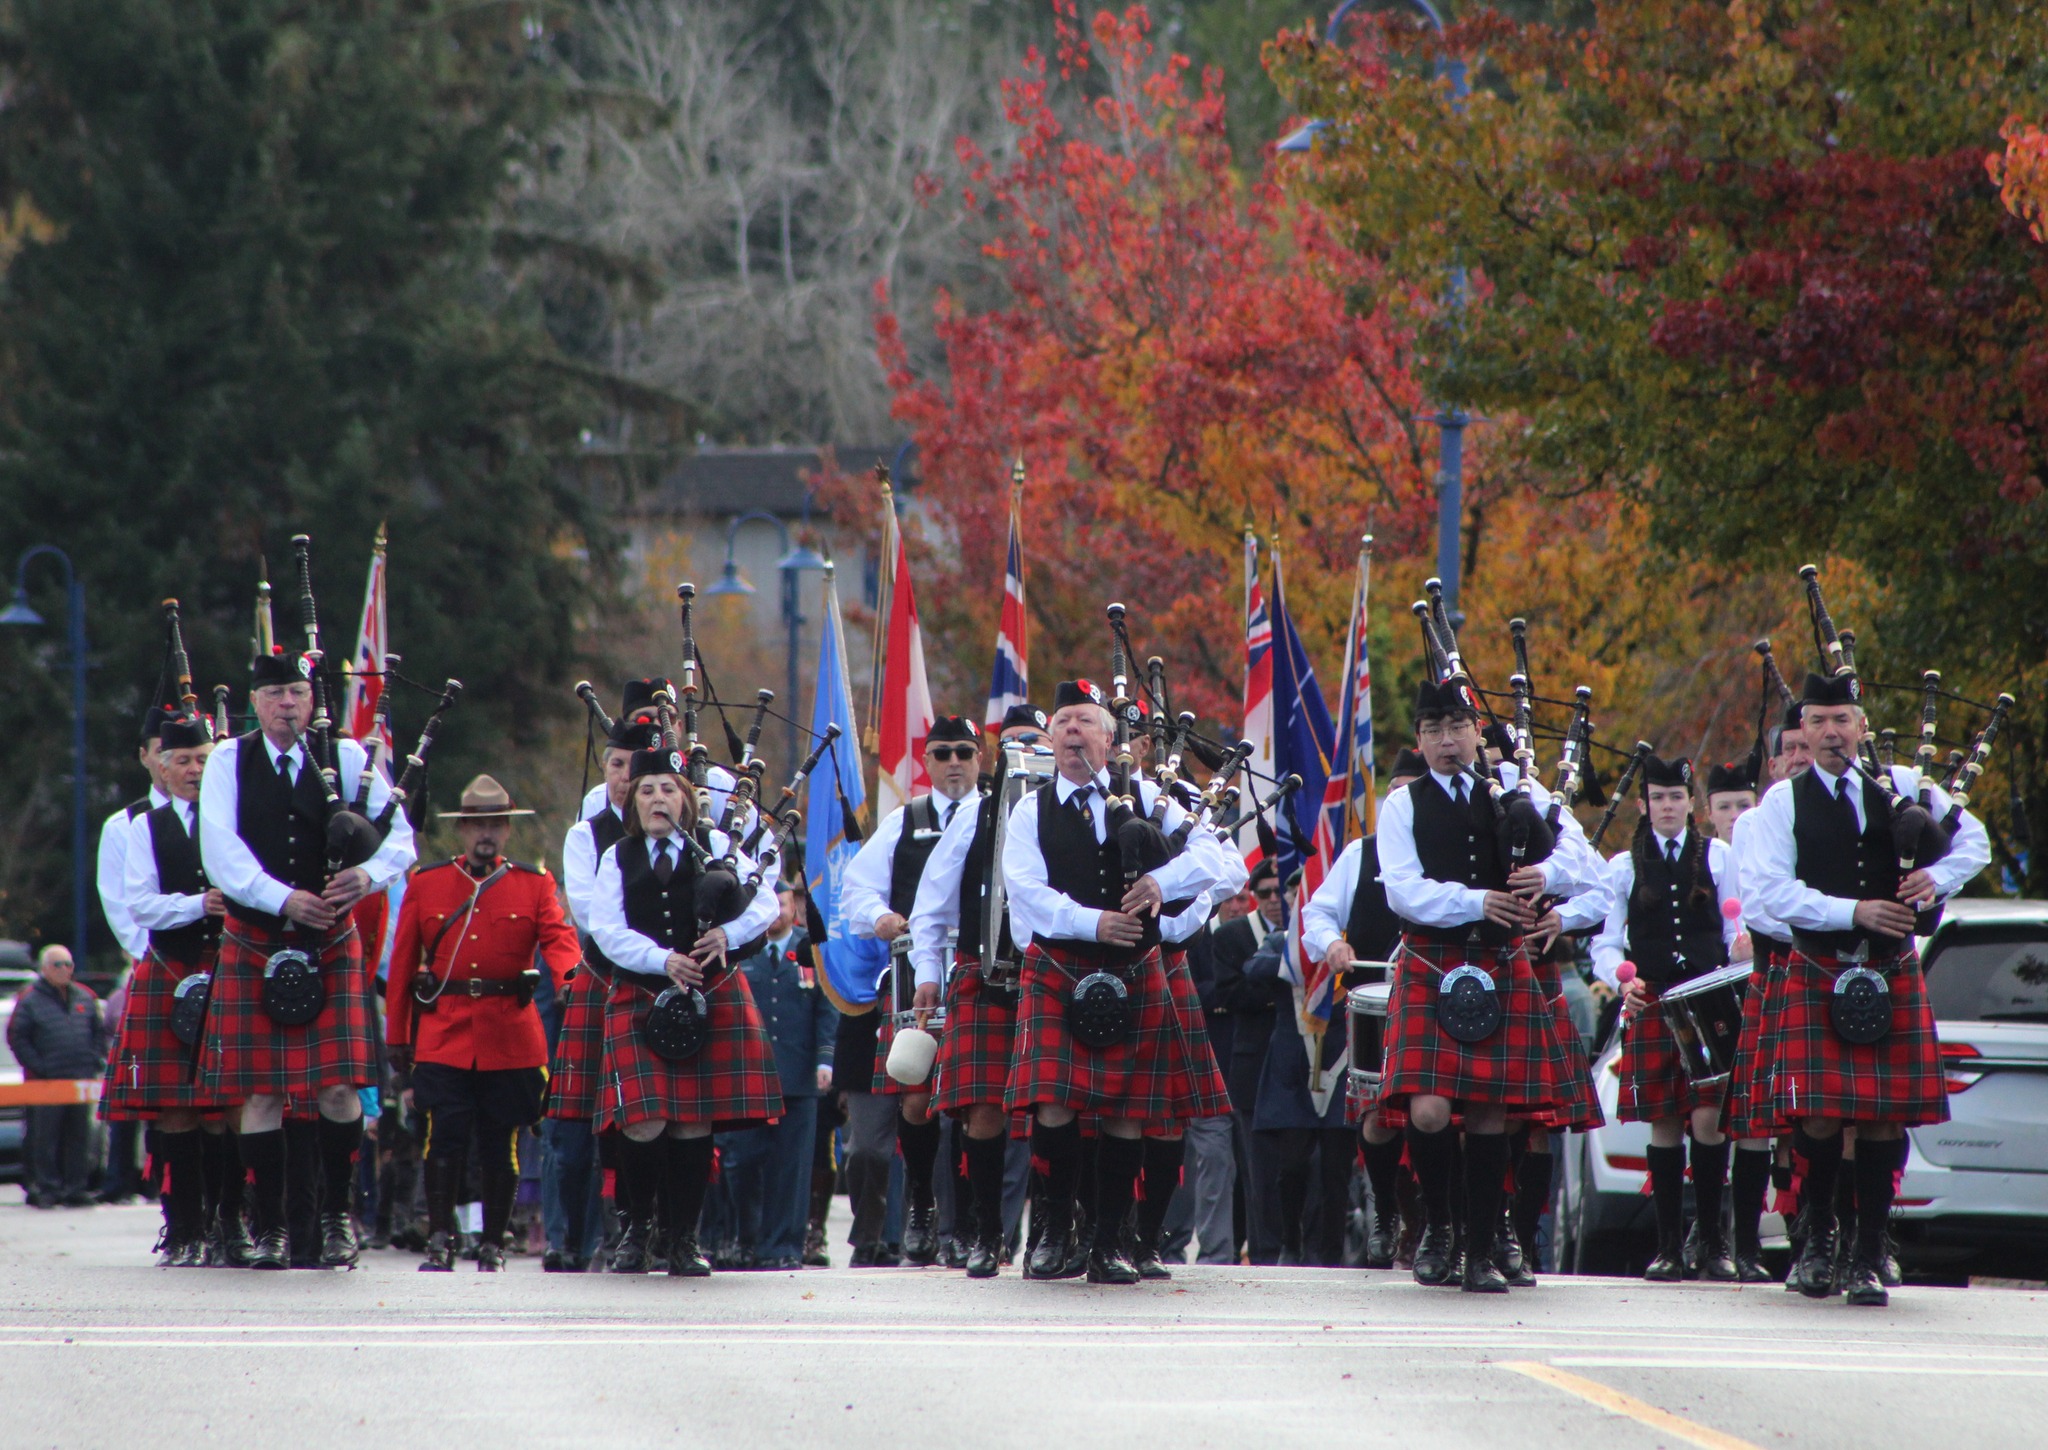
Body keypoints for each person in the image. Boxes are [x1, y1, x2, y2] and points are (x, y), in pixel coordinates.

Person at [1747, 669, 1989, 1306]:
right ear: (1802, 729)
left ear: (1860, 726)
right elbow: (1771, 892)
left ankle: (1868, 1249)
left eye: (1842, 720)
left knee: (1883, 1118)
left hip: (1889, 969)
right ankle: (1818, 1238)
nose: (1831, 733)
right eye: (1818, 721)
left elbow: (1976, 841)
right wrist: (1851, 911)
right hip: (1820, 965)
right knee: (1821, 1115)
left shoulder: (1902, 786)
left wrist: (1935, 881)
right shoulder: (1782, 803)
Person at [1000, 680, 1233, 1285]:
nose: (1073, 730)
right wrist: (1092, 922)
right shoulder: (1031, 809)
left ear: (1110, 737)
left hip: (1134, 972)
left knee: (1129, 1114)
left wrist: (1164, 883)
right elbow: (1024, 890)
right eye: (1064, 722)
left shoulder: (1151, 797)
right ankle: (1052, 1233)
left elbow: (1217, 860)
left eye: (1085, 721)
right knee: (1053, 1102)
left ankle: (1110, 1243)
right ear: (1050, 739)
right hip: (1061, 964)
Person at [197, 648, 417, 1269]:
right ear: (256, 703)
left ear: (313, 699)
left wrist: (366, 878)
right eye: (274, 694)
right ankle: (268, 1228)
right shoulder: (228, 762)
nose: (287, 704)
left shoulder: (346, 758)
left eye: (297, 692)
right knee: (262, 1094)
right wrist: (285, 898)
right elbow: (222, 852)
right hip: (257, 938)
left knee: (339, 1091)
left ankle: (336, 1218)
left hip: (329, 941)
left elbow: (400, 836)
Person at [1376, 676, 1590, 1293]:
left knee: (1494, 1112)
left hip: (1498, 962)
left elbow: (1579, 860)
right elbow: (1402, 888)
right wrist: (1480, 900)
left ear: (1477, 732)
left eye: (1458, 729)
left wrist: (1542, 874)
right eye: (1434, 731)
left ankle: (1480, 1245)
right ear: (1420, 739)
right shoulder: (1403, 805)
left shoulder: (1515, 793)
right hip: (1433, 958)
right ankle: (1439, 1226)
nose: (1448, 742)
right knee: (1431, 1107)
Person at [586, 746, 783, 1277]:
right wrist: (663, 960)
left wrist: (728, 932)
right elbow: (605, 930)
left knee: (693, 1124)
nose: (657, 798)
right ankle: (637, 1232)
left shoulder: (718, 845)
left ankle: (682, 1239)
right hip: (644, 994)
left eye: (668, 788)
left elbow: (766, 901)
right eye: (646, 789)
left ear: (686, 799)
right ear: (634, 802)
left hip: (708, 996)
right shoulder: (617, 857)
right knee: (644, 1122)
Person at [386, 775, 580, 1271]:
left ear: (507, 830)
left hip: (509, 1033)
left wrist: (570, 979)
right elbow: (404, 963)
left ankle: (494, 1241)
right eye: (477, 825)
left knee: (502, 1140)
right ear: (463, 829)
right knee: (444, 1136)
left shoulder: (533, 885)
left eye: (495, 824)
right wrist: (398, 1039)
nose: (486, 834)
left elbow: (557, 937)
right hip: (443, 1031)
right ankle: (440, 1238)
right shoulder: (427, 884)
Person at [905, 703, 1052, 1278]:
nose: (1025, 750)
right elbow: (930, 908)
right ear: (998, 752)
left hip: (1053, 976)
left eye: (1034, 741)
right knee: (984, 1111)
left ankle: (1049, 1232)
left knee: (1055, 1113)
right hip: (983, 972)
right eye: (1014, 741)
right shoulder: (975, 815)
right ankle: (984, 1232)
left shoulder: (1073, 813)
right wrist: (926, 976)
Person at [1588, 755, 1744, 1281]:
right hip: (1652, 999)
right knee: (1665, 1122)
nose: (1668, 806)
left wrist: (1741, 952)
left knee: (1708, 1117)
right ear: (1644, 804)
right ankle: (1669, 1247)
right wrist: (1621, 980)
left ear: (1690, 803)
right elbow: (1606, 943)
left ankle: (1714, 1241)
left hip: (1709, 997)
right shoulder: (1623, 866)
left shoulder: (1719, 857)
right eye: (1658, 798)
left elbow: (1732, 927)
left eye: (1676, 797)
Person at [837, 715, 984, 1265]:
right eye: (942, 752)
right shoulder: (907, 819)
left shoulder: (1002, 815)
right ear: (925, 761)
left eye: (963, 753)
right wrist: (879, 916)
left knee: (976, 1103)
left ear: (980, 759)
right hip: (912, 977)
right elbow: (856, 887)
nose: (952, 762)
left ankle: (968, 1223)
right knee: (918, 1101)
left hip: (979, 970)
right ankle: (921, 1201)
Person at [111, 710, 239, 1264]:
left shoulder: (237, 818)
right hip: (172, 967)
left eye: (203, 760)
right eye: (183, 760)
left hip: (232, 967)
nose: (193, 770)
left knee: (229, 1107)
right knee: (177, 1112)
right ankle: (184, 1228)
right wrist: (196, 905)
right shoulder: (144, 826)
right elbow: (138, 903)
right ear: (162, 767)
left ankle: (228, 1224)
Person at [1301, 747, 1428, 1268]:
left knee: (1437, 1117)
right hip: (1376, 1003)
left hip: (1439, 1000)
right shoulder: (1362, 854)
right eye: (1391, 792)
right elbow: (1318, 912)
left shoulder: (1452, 853)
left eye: (1409, 793)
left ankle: (1435, 1221)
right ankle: (1387, 1213)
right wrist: (1331, 944)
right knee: (1379, 1118)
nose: (1399, 802)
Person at [546, 703, 658, 1271]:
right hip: (604, 978)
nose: (622, 776)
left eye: (633, 767)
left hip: (658, 983)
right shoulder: (585, 835)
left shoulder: (680, 833)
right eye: (615, 764)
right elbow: (589, 912)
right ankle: (575, 1235)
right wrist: (654, 946)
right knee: (582, 1123)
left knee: (656, 1114)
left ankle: (650, 1228)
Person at [1723, 719, 1805, 1282]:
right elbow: (1759, 905)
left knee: (1827, 1118)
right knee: (1758, 1119)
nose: (1799, 757)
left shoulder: (1852, 806)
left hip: (1835, 968)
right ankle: (1745, 1243)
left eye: (1807, 746)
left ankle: (1817, 1239)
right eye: (1790, 749)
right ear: (1773, 765)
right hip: (1779, 969)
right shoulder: (1755, 822)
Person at [720, 882, 837, 1269]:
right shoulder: (741, 949)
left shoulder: (810, 949)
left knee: (792, 1167)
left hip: (797, 1076)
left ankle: (784, 1246)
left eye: (782, 904)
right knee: (743, 1162)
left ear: (794, 908)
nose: (775, 913)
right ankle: (745, 1239)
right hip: (749, 1076)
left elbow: (826, 1007)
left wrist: (825, 1060)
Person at [1209, 858, 1283, 1261]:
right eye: (1266, 893)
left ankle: (1307, 1249)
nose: (1274, 900)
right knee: (1258, 1173)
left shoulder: (1311, 933)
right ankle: (1264, 1252)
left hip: (1303, 1066)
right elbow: (1230, 994)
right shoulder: (1234, 936)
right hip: (1252, 1066)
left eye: (1280, 891)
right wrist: (1284, 983)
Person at [9, 945, 109, 1208]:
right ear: (44, 969)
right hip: (45, 1083)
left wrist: (93, 1059)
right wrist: (39, 1066)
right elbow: (18, 1038)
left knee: (79, 1136)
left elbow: (98, 1032)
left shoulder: (85, 997)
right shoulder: (29, 999)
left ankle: (75, 1188)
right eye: (57, 965)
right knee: (44, 1137)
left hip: (79, 1080)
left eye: (68, 964)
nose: (64, 970)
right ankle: (46, 1188)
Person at [96, 706, 173, 966]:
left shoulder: (217, 815)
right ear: (143, 756)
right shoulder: (121, 826)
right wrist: (156, 956)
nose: (170, 762)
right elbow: (119, 906)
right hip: (157, 958)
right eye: (162, 751)